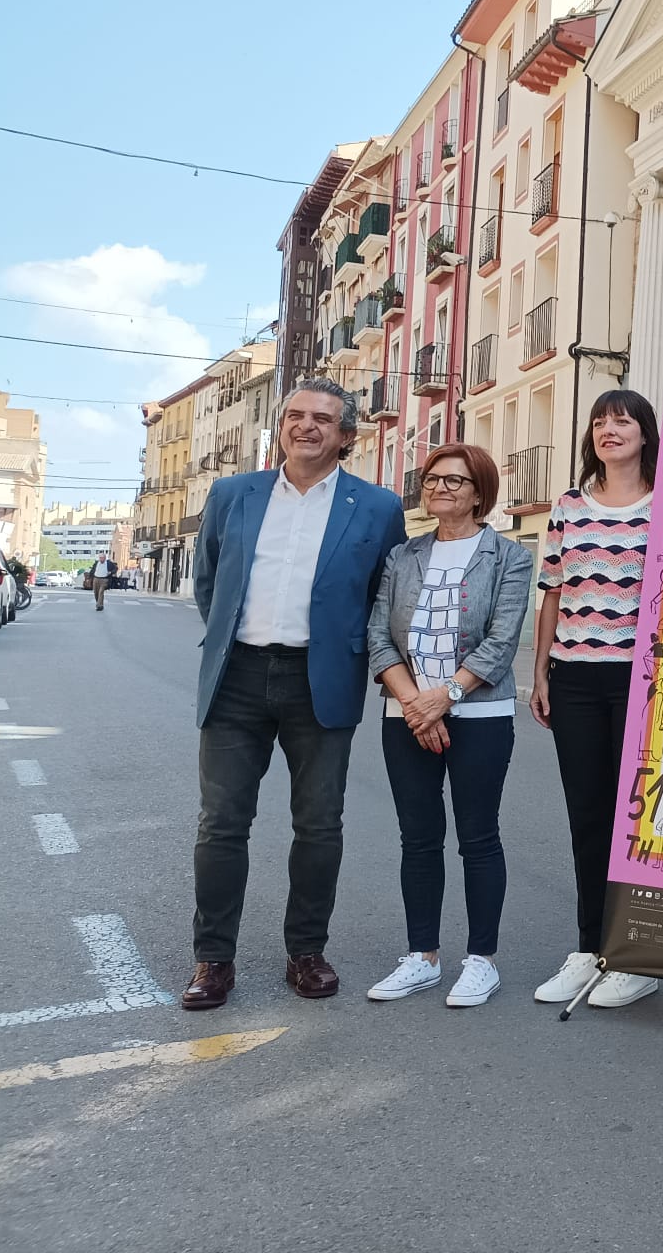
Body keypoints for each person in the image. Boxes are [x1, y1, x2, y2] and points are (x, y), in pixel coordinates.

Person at [182, 379, 406, 1009]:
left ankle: (306, 952)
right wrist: (236, 638)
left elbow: (379, 600)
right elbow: (209, 584)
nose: (305, 426)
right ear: (280, 426)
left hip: (322, 679)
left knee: (318, 824)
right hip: (237, 678)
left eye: (322, 419)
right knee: (222, 824)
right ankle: (212, 960)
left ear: (346, 436)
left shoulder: (378, 507)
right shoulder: (232, 495)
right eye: (295, 416)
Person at [363, 444, 532, 1008]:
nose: (439, 488)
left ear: (479, 492)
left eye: (454, 481)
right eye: (433, 479)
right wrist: (415, 703)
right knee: (419, 837)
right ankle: (422, 957)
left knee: (478, 837)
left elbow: (503, 640)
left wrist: (448, 696)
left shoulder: (508, 556)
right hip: (406, 713)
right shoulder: (402, 556)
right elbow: (378, 636)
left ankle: (481, 960)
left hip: (479, 714)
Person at [528, 390, 663, 1009]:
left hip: (642, 683)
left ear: (645, 433)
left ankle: (636, 955)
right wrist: (541, 674)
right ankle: (589, 949)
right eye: (601, 421)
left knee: (635, 821)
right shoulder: (567, 507)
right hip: (576, 678)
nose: (610, 430)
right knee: (587, 816)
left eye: (623, 420)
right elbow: (552, 594)